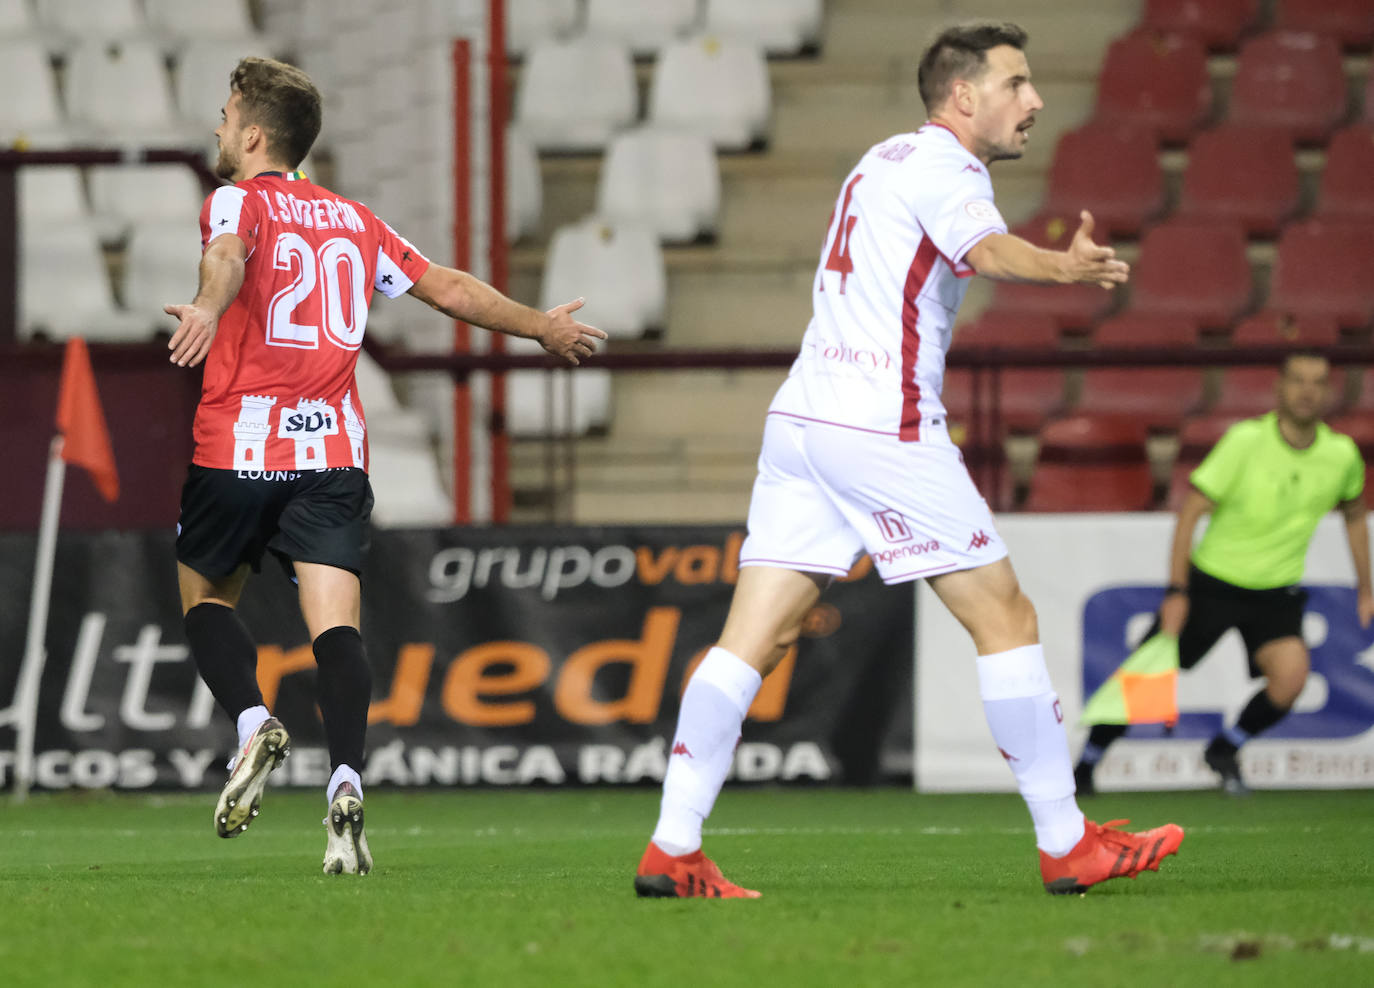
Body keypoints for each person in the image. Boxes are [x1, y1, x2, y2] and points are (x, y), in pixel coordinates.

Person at [634, 21, 1184, 900]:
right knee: (1004, 615)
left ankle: (672, 847)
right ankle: (1066, 841)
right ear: (963, 97)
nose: (1033, 101)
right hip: (880, 427)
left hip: (804, 421)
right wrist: (1063, 267)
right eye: (1016, 84)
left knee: (752, 641)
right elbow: (986, 249)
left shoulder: (881, 158)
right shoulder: (947, 170)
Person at [166, 57, 605, 874]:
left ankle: (251, 722)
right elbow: (450, 290)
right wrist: (540, 327)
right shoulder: (354, 220)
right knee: (337, 626)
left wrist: (207, 305)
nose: (219, 128)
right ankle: (345, 779)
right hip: (333, 450)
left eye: (227, 116)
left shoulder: (235, 198)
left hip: (241, 441)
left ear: (256, 134)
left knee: (205, 598)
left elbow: (227, 256)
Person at [1075, 353, 1371, 797]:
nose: (1307, 390)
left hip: (1276, 591)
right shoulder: (1245, 441)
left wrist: (1366, 586)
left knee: (1291, 679)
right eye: (1298, 380)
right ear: (1280, 387)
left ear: (1329, 391)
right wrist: (1178, 590)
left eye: (1317, 382)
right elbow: (1190, 511)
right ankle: (1085, 766)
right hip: (1212, 583)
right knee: (1146, 677)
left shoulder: (1341, 454)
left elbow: (1352, 514)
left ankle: (1225, 748)